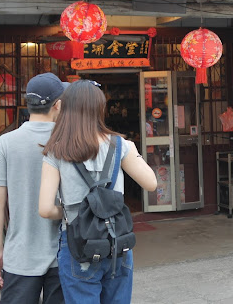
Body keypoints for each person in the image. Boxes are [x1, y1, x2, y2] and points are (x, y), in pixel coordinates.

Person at [38, 80, 157, 304]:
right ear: (100, 109)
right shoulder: (121, 146)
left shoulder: (55, 150)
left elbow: (45, 209)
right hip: (117, 243)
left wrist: (73, 210)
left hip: (78, 243)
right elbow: (151, 183)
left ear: (66, 108)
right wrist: (132, 150)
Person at [0, 73, 69, 304]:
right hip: (63, 253)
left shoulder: (6, 142)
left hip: (20, 254)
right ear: (58, 105)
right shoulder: (68, 140)